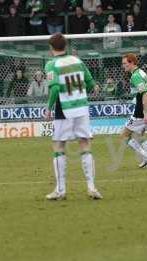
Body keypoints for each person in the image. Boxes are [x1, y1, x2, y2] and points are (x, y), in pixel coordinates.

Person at [44, 33, 102, 200]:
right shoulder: (78, 61)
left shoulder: (51, 64)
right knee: (85, 144)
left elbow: (54, 89)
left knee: (59, 146)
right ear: (65, 46)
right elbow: (92, 85)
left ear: (51, 48)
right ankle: (91, 187)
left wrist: (48, 108)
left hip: (64, 108)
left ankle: (60, 190)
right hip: (82, 107)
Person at [121, 53, 147, 169]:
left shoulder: (135, 76)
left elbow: (145, 93)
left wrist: (145, 114)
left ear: (131, 63)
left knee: (124, 136)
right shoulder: (141, 72)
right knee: (139, 136)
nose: (123, 66)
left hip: (142, 110)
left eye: (125, 63)